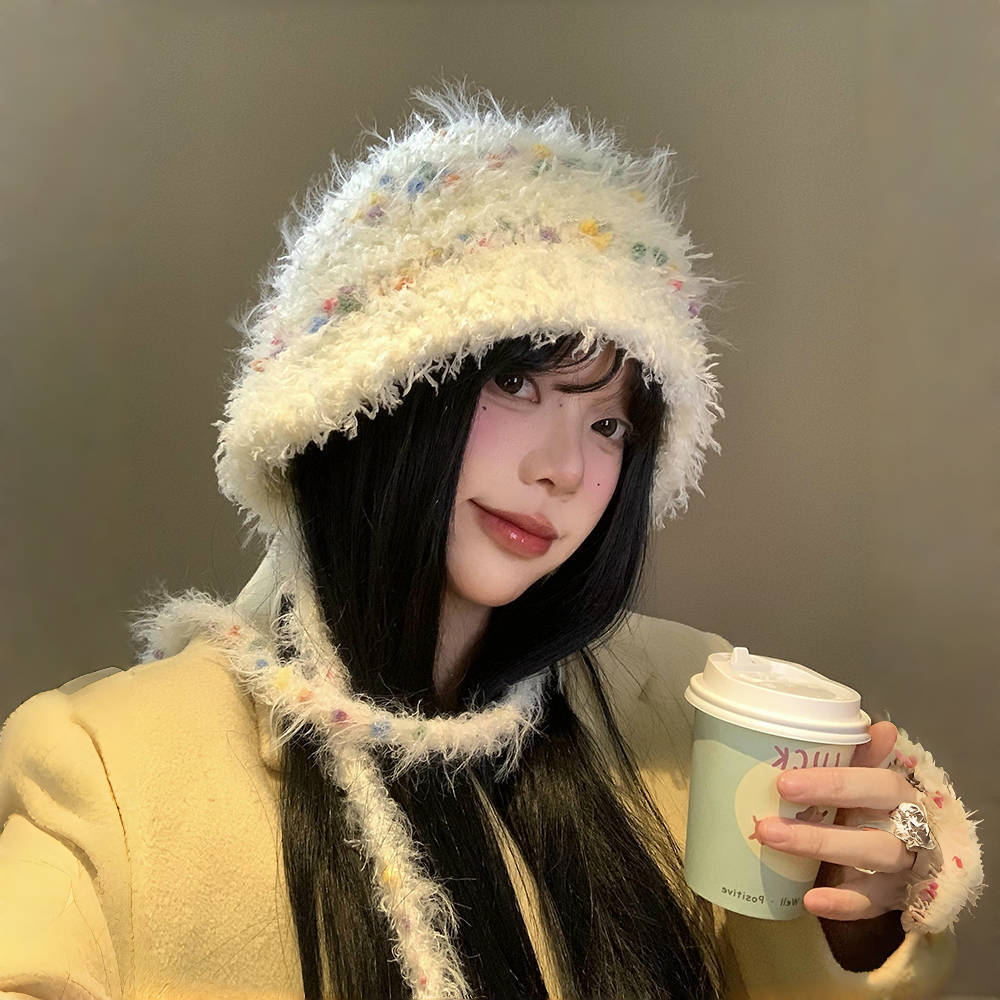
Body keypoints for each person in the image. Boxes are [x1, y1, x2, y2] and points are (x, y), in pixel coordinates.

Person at [0, 81, 983, 1000]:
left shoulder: (683, 716)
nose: (565, 468)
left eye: (610, 424)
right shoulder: (107, 770)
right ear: (368, 392)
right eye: (515, 383)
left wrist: (860, 920)